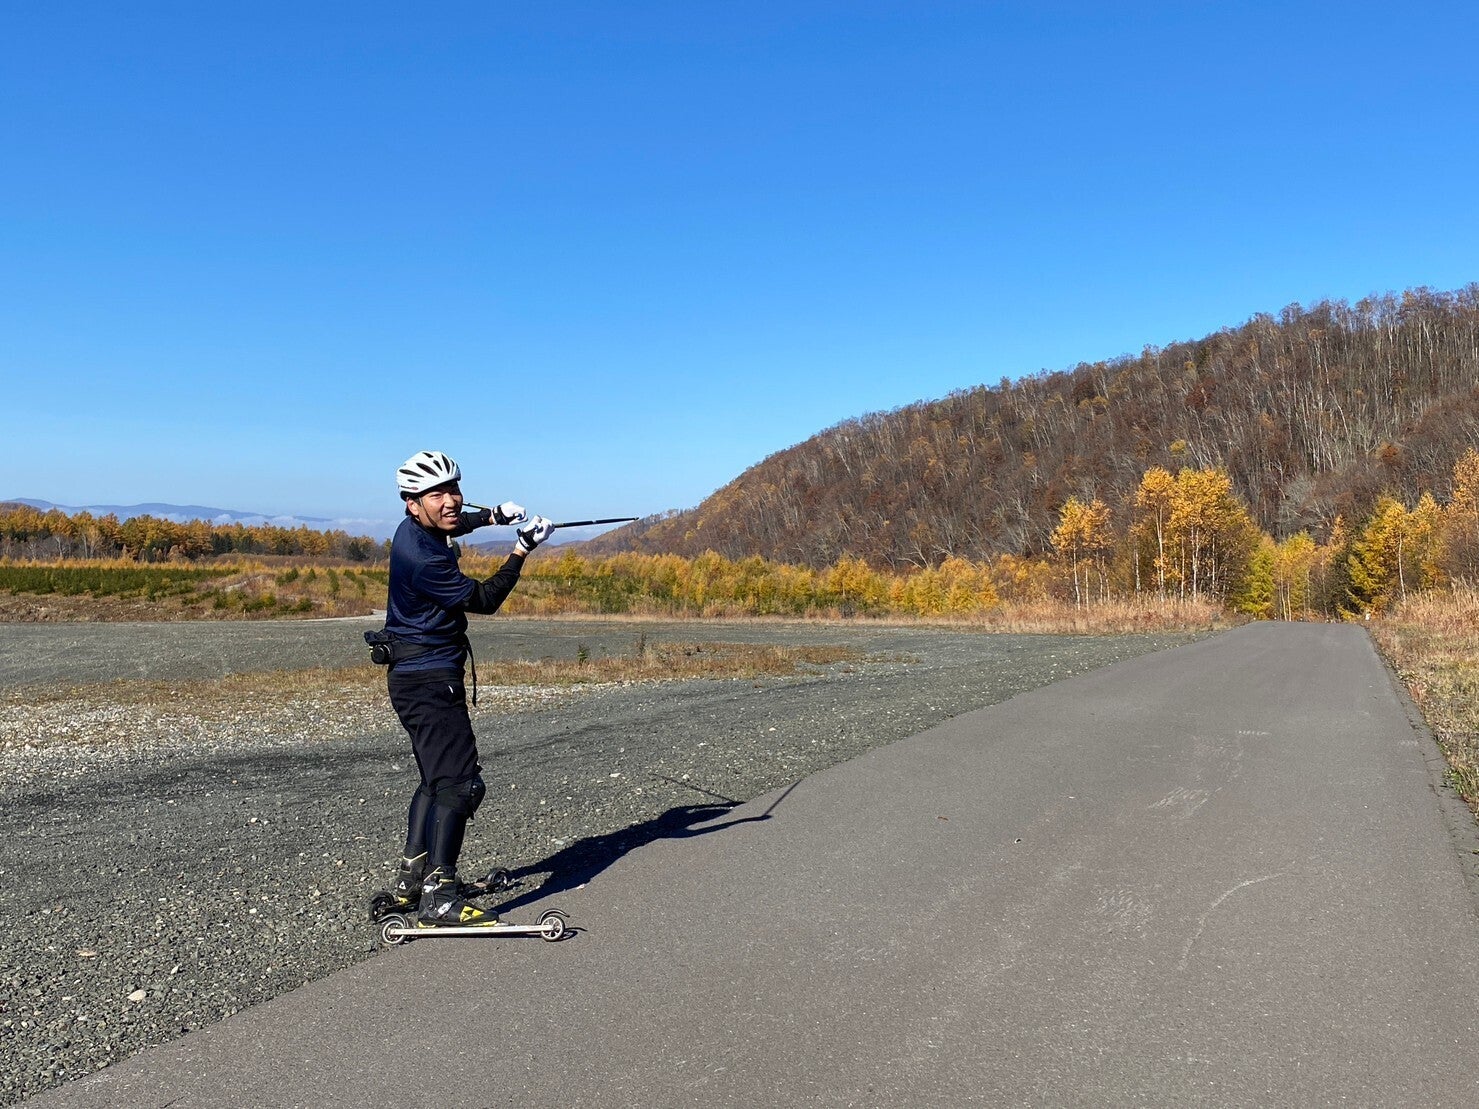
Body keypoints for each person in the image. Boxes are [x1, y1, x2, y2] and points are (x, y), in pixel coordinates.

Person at [378, 449, 553, 927]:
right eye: (436, 494)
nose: (450, 500)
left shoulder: (413, 531)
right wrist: (521, 549)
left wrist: (492, 516)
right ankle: (441, 897)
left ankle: (413, 881)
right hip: (430, 681)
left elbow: (450, 525)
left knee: (435, 781)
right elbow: (485, 599)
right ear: (412, 502)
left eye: (453, 489)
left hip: (414, 676)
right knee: (460, 784)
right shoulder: (423, 558)